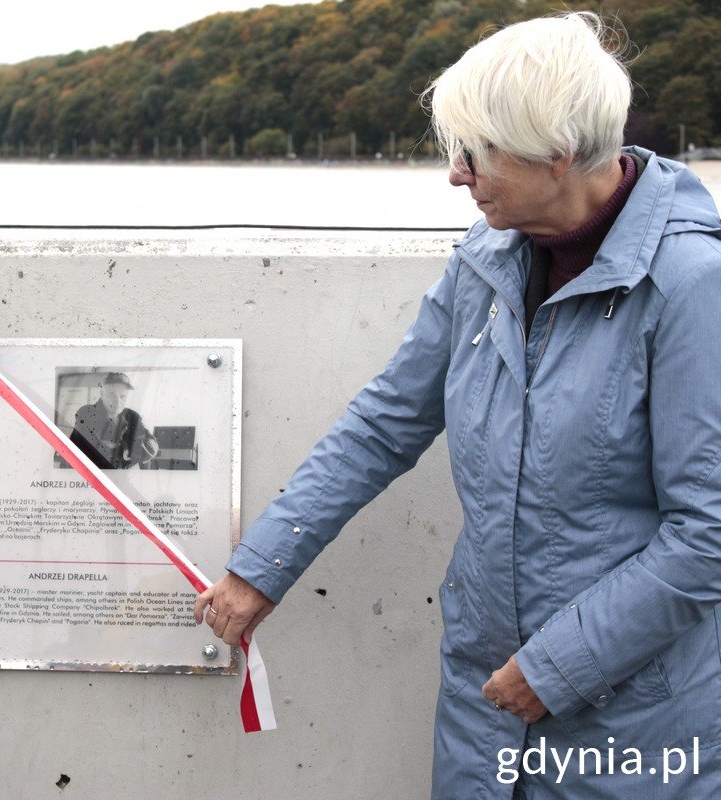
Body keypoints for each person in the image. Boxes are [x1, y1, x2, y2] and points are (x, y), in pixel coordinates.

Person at [195, 12, 721, 798]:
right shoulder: (486, 262)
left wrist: (554, 669)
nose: (455, 174)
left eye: (475, 152)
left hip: (633, 723)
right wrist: (262, 568)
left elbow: (706, 533)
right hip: (485, 710)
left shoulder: (691, 283)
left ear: (560, 153)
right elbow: (382, 425)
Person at [68, 372, 158, 469]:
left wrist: (134, 450)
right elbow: (99, 448)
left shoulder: (133, 416)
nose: (118, 402)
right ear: (102, 394)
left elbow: (151, 445)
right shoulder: (86, 413)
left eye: (122, 396)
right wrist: (128, 450)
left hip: (120, 477)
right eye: (112, 395)